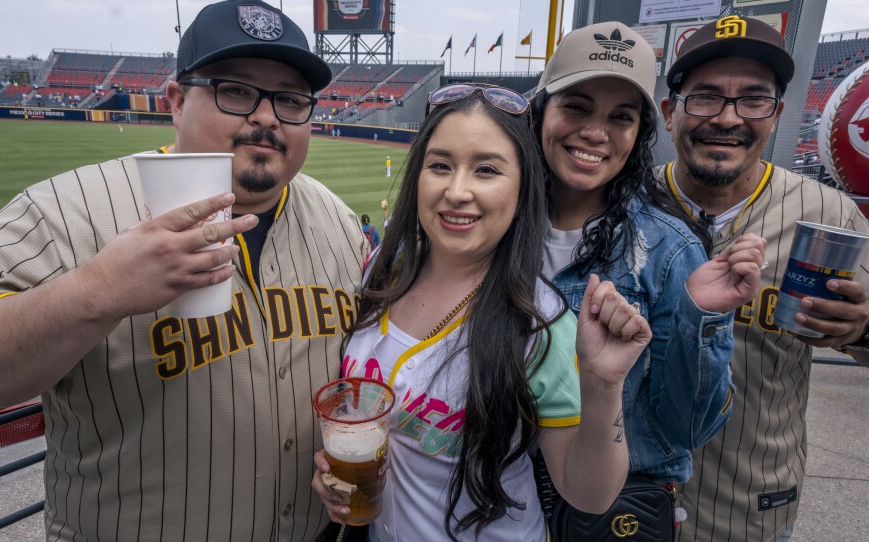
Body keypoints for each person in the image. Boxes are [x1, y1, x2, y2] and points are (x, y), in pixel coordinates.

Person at [0, 1, 367, 541]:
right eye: (235, 90)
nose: (265, 117)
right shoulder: (62, 210)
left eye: (290, 100)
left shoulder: (336, 219)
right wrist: (95, 292)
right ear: (175, 101)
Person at [312, 84, 651, 541]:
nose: (457, 191)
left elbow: (590, 496)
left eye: (486, 170)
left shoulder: (542, 323)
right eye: (440, 166)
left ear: (522, 187)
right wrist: (335, 478)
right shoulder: (381, 271)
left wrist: (603, 386)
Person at [531, 20, 766, 504]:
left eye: (621, 116)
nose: (595, 133)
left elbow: (686, 431)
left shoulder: (669, 249)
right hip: (486, 515)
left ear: (639, 132)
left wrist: (698, 317)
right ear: (540, 112)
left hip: (599, 518)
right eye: (576, 106)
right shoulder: (490, 228)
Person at [656, 15, 869, 542]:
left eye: (753, 99)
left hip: (751, 502)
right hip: (623, 497)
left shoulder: (829, 212)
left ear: (775, 115)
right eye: (705, 97)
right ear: (669, 113)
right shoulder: (625, 204)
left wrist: (863, 329)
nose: (727, 118)